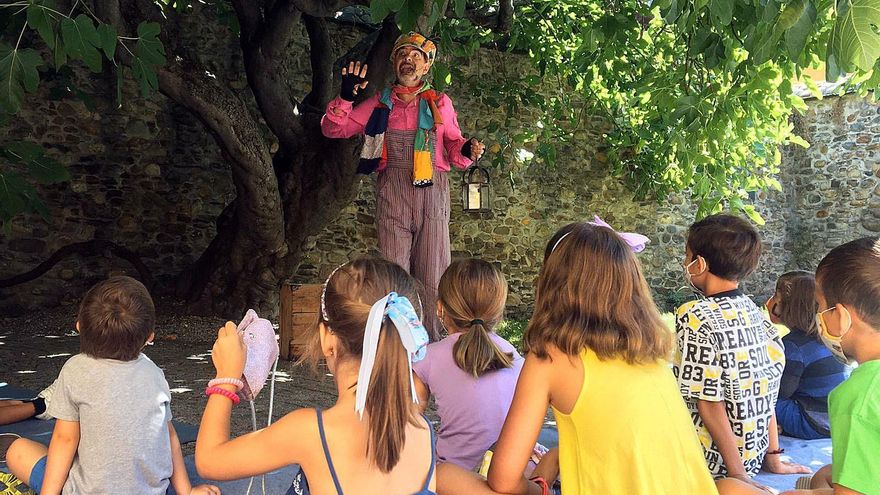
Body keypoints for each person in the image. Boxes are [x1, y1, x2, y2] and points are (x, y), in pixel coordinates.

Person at [435, 222, 730, 495]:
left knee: (445, 475)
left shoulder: (550, 360)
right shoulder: (651, 356)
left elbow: (503, 479)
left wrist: (539, 486)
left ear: (552, 284)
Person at [194, 258, 437, 495]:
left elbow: (209, 460)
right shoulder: (424, 430)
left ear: (327, 339)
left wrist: (227, 376)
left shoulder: (312, 432)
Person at [321, 32, 485, 340]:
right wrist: (345, 96)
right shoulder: (378, 104)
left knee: (434, 273)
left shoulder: (440, 104)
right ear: (394, 63)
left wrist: (465, 151)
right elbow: (333, 129)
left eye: (415, 56)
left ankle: (434, 345)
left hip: (432, 193)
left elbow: (452, 144)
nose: (407, 59)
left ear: (426, 67)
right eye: (401, 55)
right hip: (392, 190)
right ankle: (397, 344)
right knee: (393, 274)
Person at [1, 276, 217, 495]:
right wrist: (187, 490)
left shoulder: (75, 369)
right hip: (155, 491)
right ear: (149, 337)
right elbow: (169, 435)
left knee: (19, 450)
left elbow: (65, 439)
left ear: (79, 327)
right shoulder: (154, 373)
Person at [674, 214, 809, 488]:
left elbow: (709, 402)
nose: (684, 264)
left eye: (687, 257)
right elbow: (767, 392)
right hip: (751, 456)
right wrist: (772, 455)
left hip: (712, 461)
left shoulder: (695, 316)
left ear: (699, 264)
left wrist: (738, 477)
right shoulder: (758, 317)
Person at [781, 237, 880, 495]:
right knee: (826, 474)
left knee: (731, 487)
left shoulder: (858, 398)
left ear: (841, 315)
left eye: (821, 306)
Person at [413, 258, 524, 471]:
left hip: (452, 478)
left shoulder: (427, 357)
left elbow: (408, 421)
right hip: (506, 473)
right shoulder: (514, 357)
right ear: (498, 312)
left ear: (440, 309)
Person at [767, 271, 847, 440]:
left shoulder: (794, 346)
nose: (770, 301)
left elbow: (780, 392)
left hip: (812, 422)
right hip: (834, 420)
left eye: (776, 297)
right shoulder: (827, 338)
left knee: (762, 399)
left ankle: (775, 430)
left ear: (788, 306)